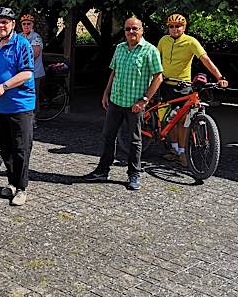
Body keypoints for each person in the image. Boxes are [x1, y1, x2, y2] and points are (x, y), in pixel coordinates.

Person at [85, 16, 163, 191]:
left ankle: (134, 174)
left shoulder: (150, 50)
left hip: (134, 104)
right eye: (127, 29)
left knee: (135, 140)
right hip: (116, 101)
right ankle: (102, 170)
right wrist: (106, 93)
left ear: (142, 30)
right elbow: (114, 72)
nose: (131, 32)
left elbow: (158, 77)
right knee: (108, 136)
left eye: (135, 28)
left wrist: (144, 100)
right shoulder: (120, 48)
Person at [156, 13, 228, 162]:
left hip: (183, 86)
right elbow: (155, 60)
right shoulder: (163, 40)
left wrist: (220, 77)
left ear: (184, 27)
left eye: (178, 26)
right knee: (169, 121)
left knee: (183, 120)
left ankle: (182, 153)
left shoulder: (191, 42)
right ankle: (174, 149)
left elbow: (205, 59)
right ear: (168, 28)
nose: (175, 29)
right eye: (172, 26)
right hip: (165, 85)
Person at [0, 7, 35, 206]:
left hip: (20, 105)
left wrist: (4, 86)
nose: (1, 26)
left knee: (21, 148)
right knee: (5, 148)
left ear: (13, 24)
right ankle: (12, 183)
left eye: (5, 22)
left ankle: (22, 188)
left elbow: (27, 73)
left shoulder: (22, 44)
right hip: (0, 106)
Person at [20, 13, 44, 127]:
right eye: (24, 24)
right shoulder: (19, 36)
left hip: (34, 72)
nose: (26, 26)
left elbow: (35, 53)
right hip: (21, 72)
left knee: (33, 95)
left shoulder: (36, 37)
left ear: (32, 25)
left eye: (28, 24)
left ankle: (33, 118)